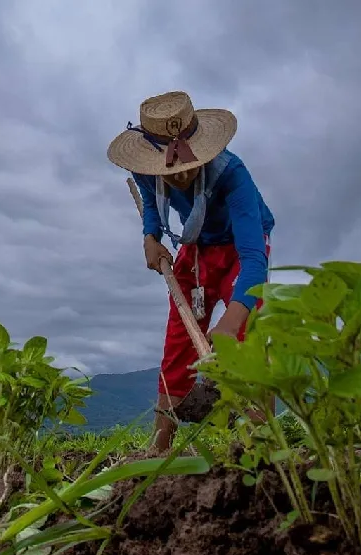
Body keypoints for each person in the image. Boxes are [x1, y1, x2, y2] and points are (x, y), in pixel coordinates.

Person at [107, 91, 275, 453]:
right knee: (179, 339)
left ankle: (263, 444)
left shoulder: (232, 175)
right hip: (197, 245)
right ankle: (160, 443)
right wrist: (150, 236)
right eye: (170, 169)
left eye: (187, 165)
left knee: (249, 335)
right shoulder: (145, 169)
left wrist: (232, 319)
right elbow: (151, 200)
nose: (180, 176)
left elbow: (254, 261)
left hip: (240, 249)